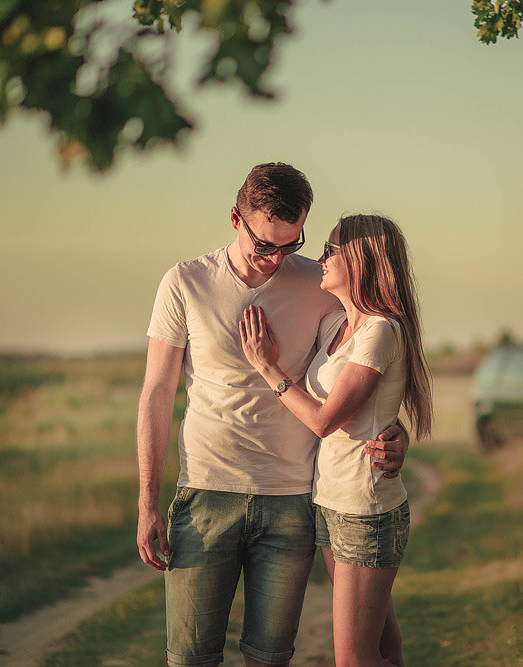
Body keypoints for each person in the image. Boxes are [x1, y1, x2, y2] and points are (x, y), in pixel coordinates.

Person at [135, 163, 407, 667]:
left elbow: (359, 365)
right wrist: (147, 498)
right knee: (191, 659)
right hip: (206, 496)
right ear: (236, 218)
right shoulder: (184, 283)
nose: (277, 258)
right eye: (266, 245)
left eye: (293, 244)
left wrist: (394, 430)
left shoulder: (318, 283)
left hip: (292, 504)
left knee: (269, 659)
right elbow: (156, 393)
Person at [239, 213, 432, 667]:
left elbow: (326, 421)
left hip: (365, 510)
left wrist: (268, 368)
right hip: (330, 503)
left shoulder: (379, 331)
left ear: (363, 260)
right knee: (383, 648)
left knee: (352, 658)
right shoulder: (334, 326)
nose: (321, 258)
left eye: (331, 250)